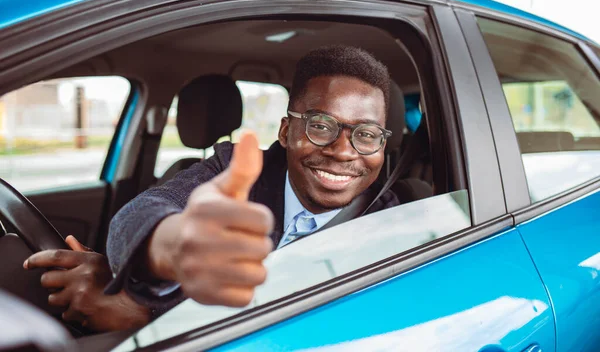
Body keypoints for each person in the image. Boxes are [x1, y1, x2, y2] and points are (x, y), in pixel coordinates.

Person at [24, 44, 398, 330]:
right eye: (321, 125)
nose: (342, 151)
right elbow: (141, 212)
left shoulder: (393, 224)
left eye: (366, 134)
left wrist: (145, 311)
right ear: (286, 131)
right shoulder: (236, 167)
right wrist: (172, 248)